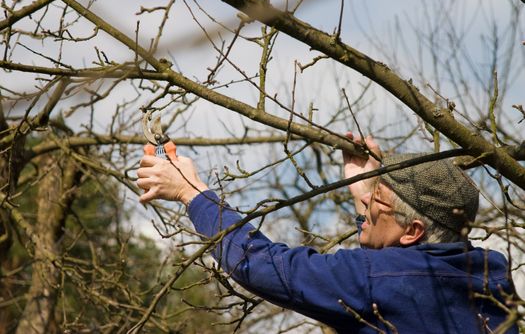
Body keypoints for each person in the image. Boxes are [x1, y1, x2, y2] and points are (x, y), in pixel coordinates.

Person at [136, 134, 519, 334]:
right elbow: (394, 275)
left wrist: (192, 193)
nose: (367, 203)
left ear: (413, 231)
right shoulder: (487, 277)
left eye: (377, 200)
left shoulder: (383, 280)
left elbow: (262, 265)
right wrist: (363, 193)